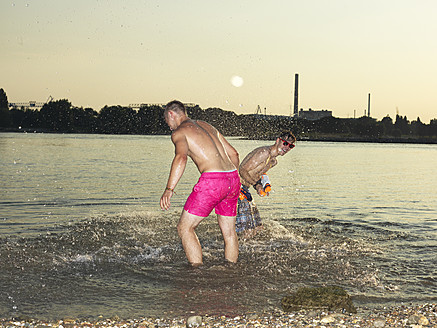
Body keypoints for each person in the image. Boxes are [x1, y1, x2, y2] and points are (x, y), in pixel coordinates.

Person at [160, 100, 240, 266]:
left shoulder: (179, 133)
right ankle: (232, 271)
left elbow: (181, 157)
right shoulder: (206, 125)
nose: (168, 126)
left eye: (167, 121)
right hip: (233, 178)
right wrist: (233, 181)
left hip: (213, 182)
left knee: (185, 228)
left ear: (171, 114)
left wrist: (169, 189)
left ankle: (197, 273)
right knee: (230, 233)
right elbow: (234, 154)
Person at [236, 131, 296, 235]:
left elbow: (255, 174)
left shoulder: (273, 161)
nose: (287, 147)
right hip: (236, 188)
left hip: (245, 189)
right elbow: (242, 170)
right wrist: (257, 185)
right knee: (247, 231)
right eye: (285, 143)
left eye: (290, 146)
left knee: (258, 228)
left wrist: (262, 185)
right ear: (277, 141)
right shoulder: (264, 152)